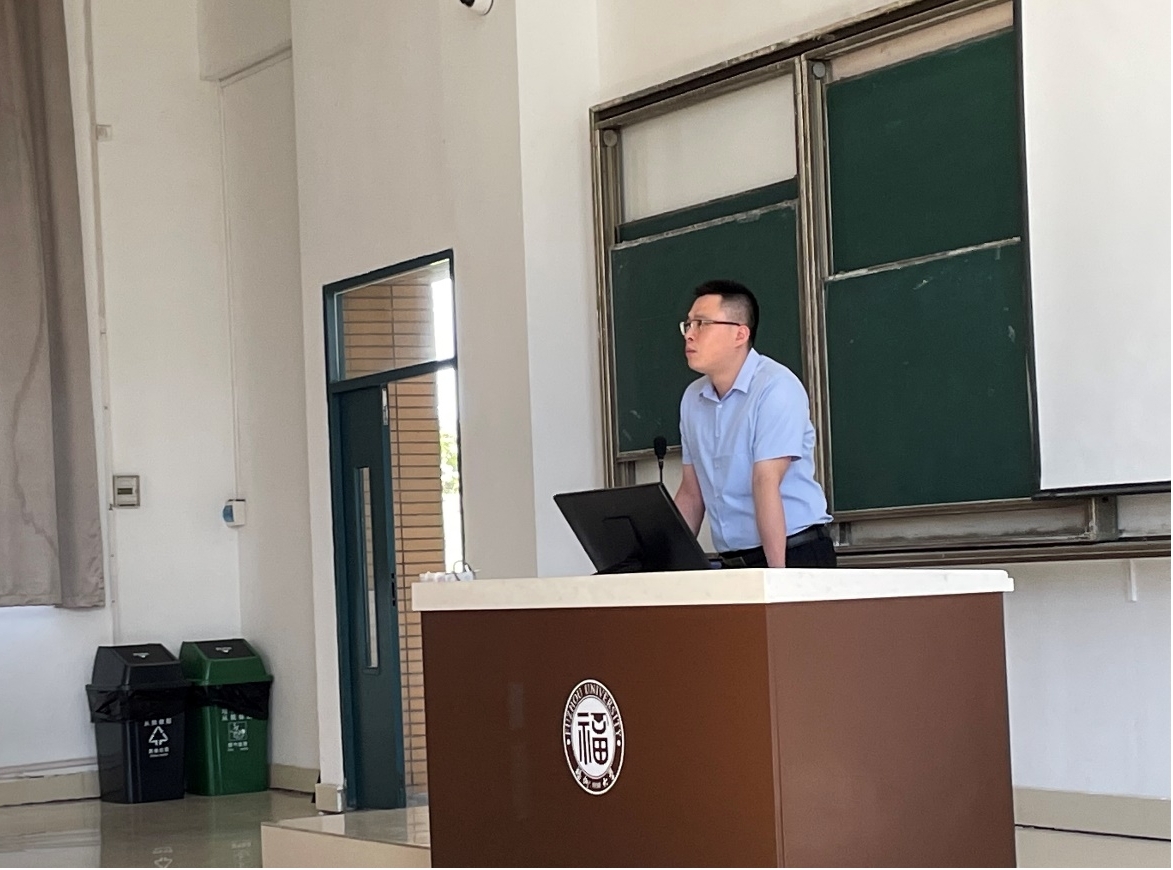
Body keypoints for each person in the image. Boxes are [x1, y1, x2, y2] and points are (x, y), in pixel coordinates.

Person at [673, 279, 835, 569]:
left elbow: (765, 481)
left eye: (702, 324)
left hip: (792, 552)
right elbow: (691, 493)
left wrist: (777, 578)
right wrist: (658, 570)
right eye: (688, 325)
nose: (690, 335)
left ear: (740, 334)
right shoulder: (692, 399)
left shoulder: (775, 387)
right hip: (734, 562)